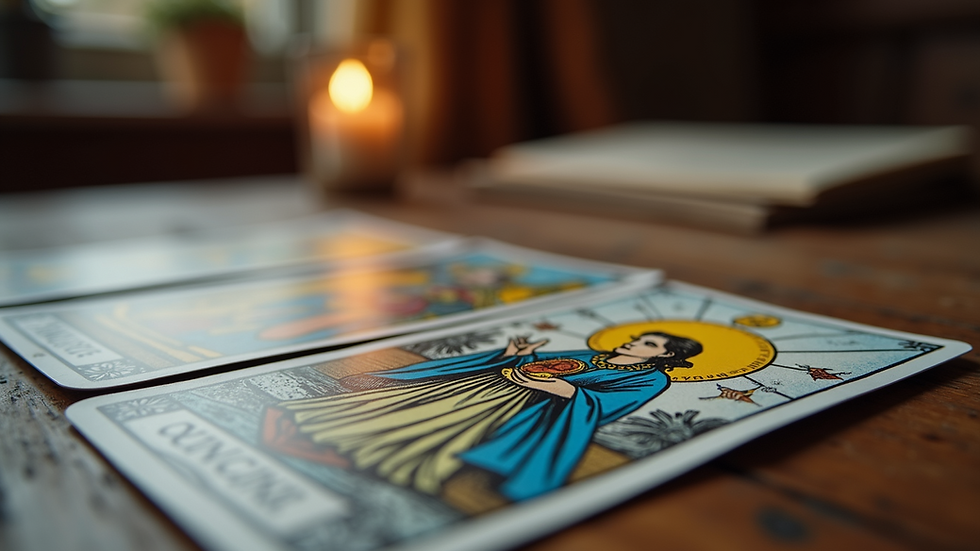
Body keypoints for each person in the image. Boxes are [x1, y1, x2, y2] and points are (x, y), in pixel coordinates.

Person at [277, 331, 703, 501]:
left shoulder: (649, 382)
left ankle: (393, 463)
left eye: (647, 344)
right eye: (640, 338)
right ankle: (327, 426)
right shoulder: (591, 353)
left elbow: (596, 405)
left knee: (444, 431)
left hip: (519, 407)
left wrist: (557, 387)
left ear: (665, 356)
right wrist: (515, 356)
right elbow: (543, 362)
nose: (635, 342)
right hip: (490, 385)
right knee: (407, 408)